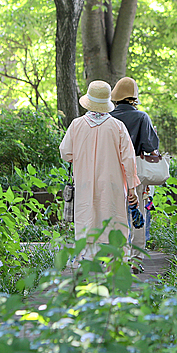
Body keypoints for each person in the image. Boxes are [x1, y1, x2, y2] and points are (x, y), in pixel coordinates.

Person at [59, 80, 140, 263]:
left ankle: (86, 263)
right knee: (113, 220)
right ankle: (115, 263)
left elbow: (65, 152)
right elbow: (128, 159)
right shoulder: (118, 127)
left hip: (85, 183)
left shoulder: (76, 125)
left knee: (87, 219)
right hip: (113, 186)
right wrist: (133, 189)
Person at [109, 77, 160, 270]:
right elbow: (151, 146)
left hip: (112, 171)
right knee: (137, 214)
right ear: (134, 98)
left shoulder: (108, 117)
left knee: (115, 215)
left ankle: (116, 257)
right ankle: (136, 260)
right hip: (136, 171)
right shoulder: (141, 117)